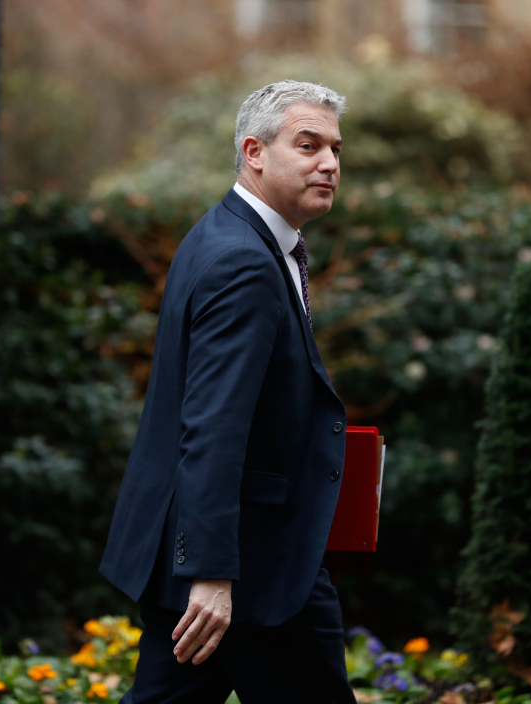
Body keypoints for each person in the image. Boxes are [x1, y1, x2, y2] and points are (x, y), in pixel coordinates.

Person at [99, 80, 355, 703]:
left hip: (225, 559)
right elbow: (212, 426)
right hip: (248, 569)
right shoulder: (242, 260)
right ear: (254, 152)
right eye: (308, 144)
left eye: (336, 149)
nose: (329, 163)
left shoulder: (232, 237)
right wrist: (211, 575)